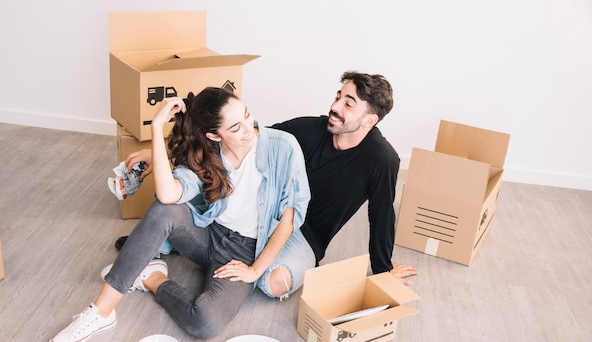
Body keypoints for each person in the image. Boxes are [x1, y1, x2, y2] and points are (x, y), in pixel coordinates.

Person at [48, 87, 310, 342]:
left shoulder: (283, 147)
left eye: (247, 117)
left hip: (244, 252)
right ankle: (101, 312)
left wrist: (254, 270)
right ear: (213, 135)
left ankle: (152, 278)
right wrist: (157, 127)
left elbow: (289, 219)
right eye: (234, 128)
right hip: (207, 232)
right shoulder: (207, 154)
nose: (247, 130)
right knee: (165, 209)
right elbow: (168, 193)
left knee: (205, 322)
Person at [115, 71, 418, 300]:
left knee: (272, 285)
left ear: (369, 120)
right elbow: (240, 140)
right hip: (264, 214)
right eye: (338, 96)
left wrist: (383, 271)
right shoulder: (309, 128)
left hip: (305, 236)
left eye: (348, 104)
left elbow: (381, 215)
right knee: (204, 191)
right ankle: (165, 238)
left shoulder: (382, 159)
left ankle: (193, 248)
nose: (335, 106)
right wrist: (164, 154)